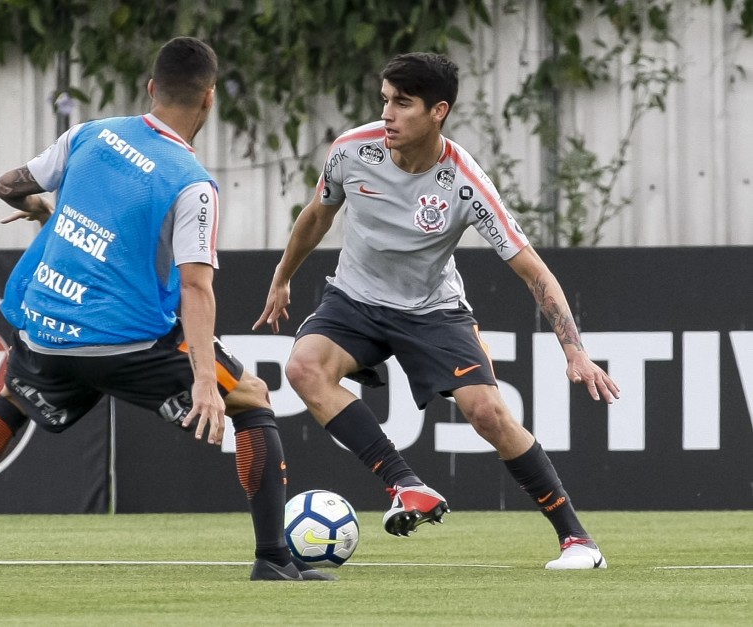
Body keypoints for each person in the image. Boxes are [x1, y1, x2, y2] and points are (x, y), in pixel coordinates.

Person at [0, 36, 331, 582]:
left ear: (151, 89)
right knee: (251, 397)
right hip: (130, 345)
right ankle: (273, 560)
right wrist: (202, 380)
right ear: (210, 100)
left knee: (10, 400)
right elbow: (196, 288)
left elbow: (8, 184)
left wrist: (40, 209)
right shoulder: (192, 184)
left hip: (46, 332)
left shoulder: (89, 134)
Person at [254, 52, 621, 570]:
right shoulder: (351, 152)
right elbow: (318, 214)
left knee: (488, 414)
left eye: (402, 103)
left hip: (432, 310)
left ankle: (578, 541)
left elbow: (535, 271)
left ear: (438, 111)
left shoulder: (466, 183)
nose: (387, 114)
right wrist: (282, 276)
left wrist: (575, 352)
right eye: (384, 100)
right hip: (354, 300)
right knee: (303, 367)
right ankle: (405, 485)